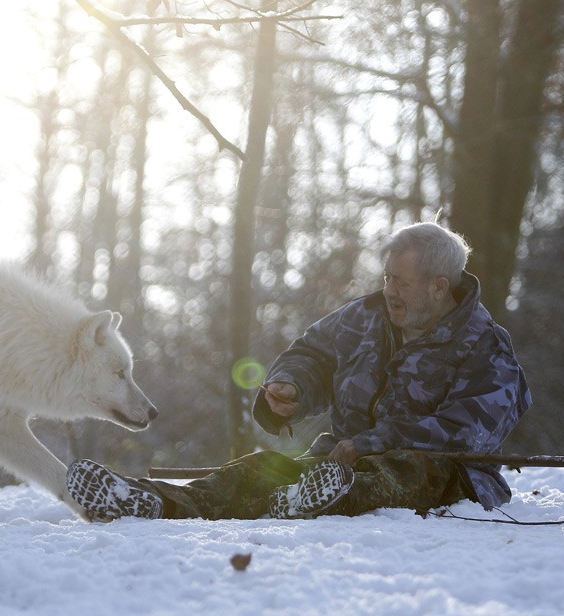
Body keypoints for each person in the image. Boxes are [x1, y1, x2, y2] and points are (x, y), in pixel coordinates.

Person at [66, 221, 533, 521]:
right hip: (335, 465)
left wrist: (370, 444)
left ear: (438, 287)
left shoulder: (487, 348)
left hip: (443, 478)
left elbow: (464, 435)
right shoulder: (367, 316)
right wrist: (292, 387)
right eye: (386, 277)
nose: (389, 291)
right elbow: (313, 353)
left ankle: (307, 498)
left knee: (407, 469)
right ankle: (149, 501)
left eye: (401, 282)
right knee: (260, 470)